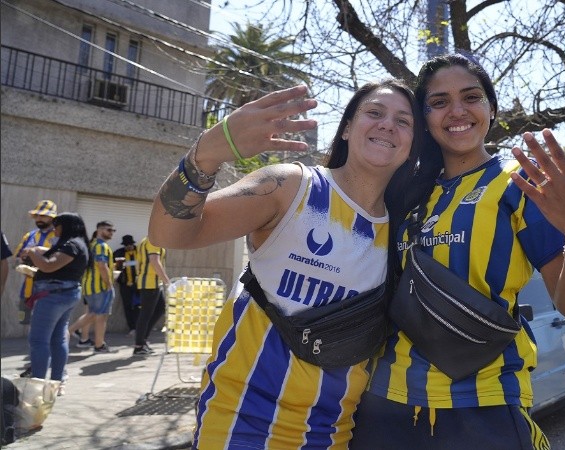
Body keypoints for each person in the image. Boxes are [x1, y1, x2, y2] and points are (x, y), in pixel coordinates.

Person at [149, 81, 421, 448]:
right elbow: (170, 234)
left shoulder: (405, 231)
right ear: (346, 128)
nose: (388, 124)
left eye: (403, 121)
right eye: (374, 113)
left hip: (332, 436)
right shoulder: (291, 187)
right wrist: (206, 155)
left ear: (412, 144)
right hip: (240, 427)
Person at [351, 54, 565, 450]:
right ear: (424, 116)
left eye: (471, 97)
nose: (456, 111)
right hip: (384, 407)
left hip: (485, 405)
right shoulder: (404, 191)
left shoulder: (519, 186)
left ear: (491, 108)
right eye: (438, 102)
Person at [19, 212, 91, 393]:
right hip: (64, 295)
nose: (53, 228)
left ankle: (38, 386)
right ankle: (55, 384)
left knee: (38, 340)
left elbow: (49, 265)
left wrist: (34, 252)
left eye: (56, 224)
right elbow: (52, 256)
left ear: (66, 226)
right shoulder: (75, 244)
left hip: (53, 296)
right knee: (57, 338)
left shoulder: (73, 245)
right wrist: (37, 252)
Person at [69, 221, 117, 353]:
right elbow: (102, 265)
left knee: (96, 315)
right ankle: (68, 333)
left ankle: (99, 344)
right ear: (100, 230)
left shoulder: (91, 244)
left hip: (90, 286)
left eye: (113, 231)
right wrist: (108, 284)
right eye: (109, 230)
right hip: (99, 287)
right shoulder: (101, 246)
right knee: (97, 315)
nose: (111, 233)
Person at [13, 200, 59, 325]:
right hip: (28, 288)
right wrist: (22, 260)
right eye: (37, 215)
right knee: (28, 323)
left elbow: (66, 256)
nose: (39, 218)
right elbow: (16, 260)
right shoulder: (30, 235)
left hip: (52, 288)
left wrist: (40, 252)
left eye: (43, 215)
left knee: (51, 324)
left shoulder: (59, 235)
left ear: (52, 217)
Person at [132, 236, 169, 356]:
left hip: (152, 283)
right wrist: (167, 281)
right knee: (145, 314)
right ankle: (139, 346)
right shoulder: (154, 240)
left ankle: (143, 341)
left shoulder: (147, 240)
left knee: (160, 309)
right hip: (149, 283)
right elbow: (154, 260)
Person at [114, 234, 139, 335]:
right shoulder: (118, 253)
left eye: (130, 244)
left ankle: (139, 327)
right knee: (127, 306)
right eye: (126, 245)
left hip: (139, 284)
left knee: (139, 306)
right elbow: (113, 268)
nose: (129, 247)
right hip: (125, 285)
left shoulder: (139, 252)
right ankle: (132, 328)